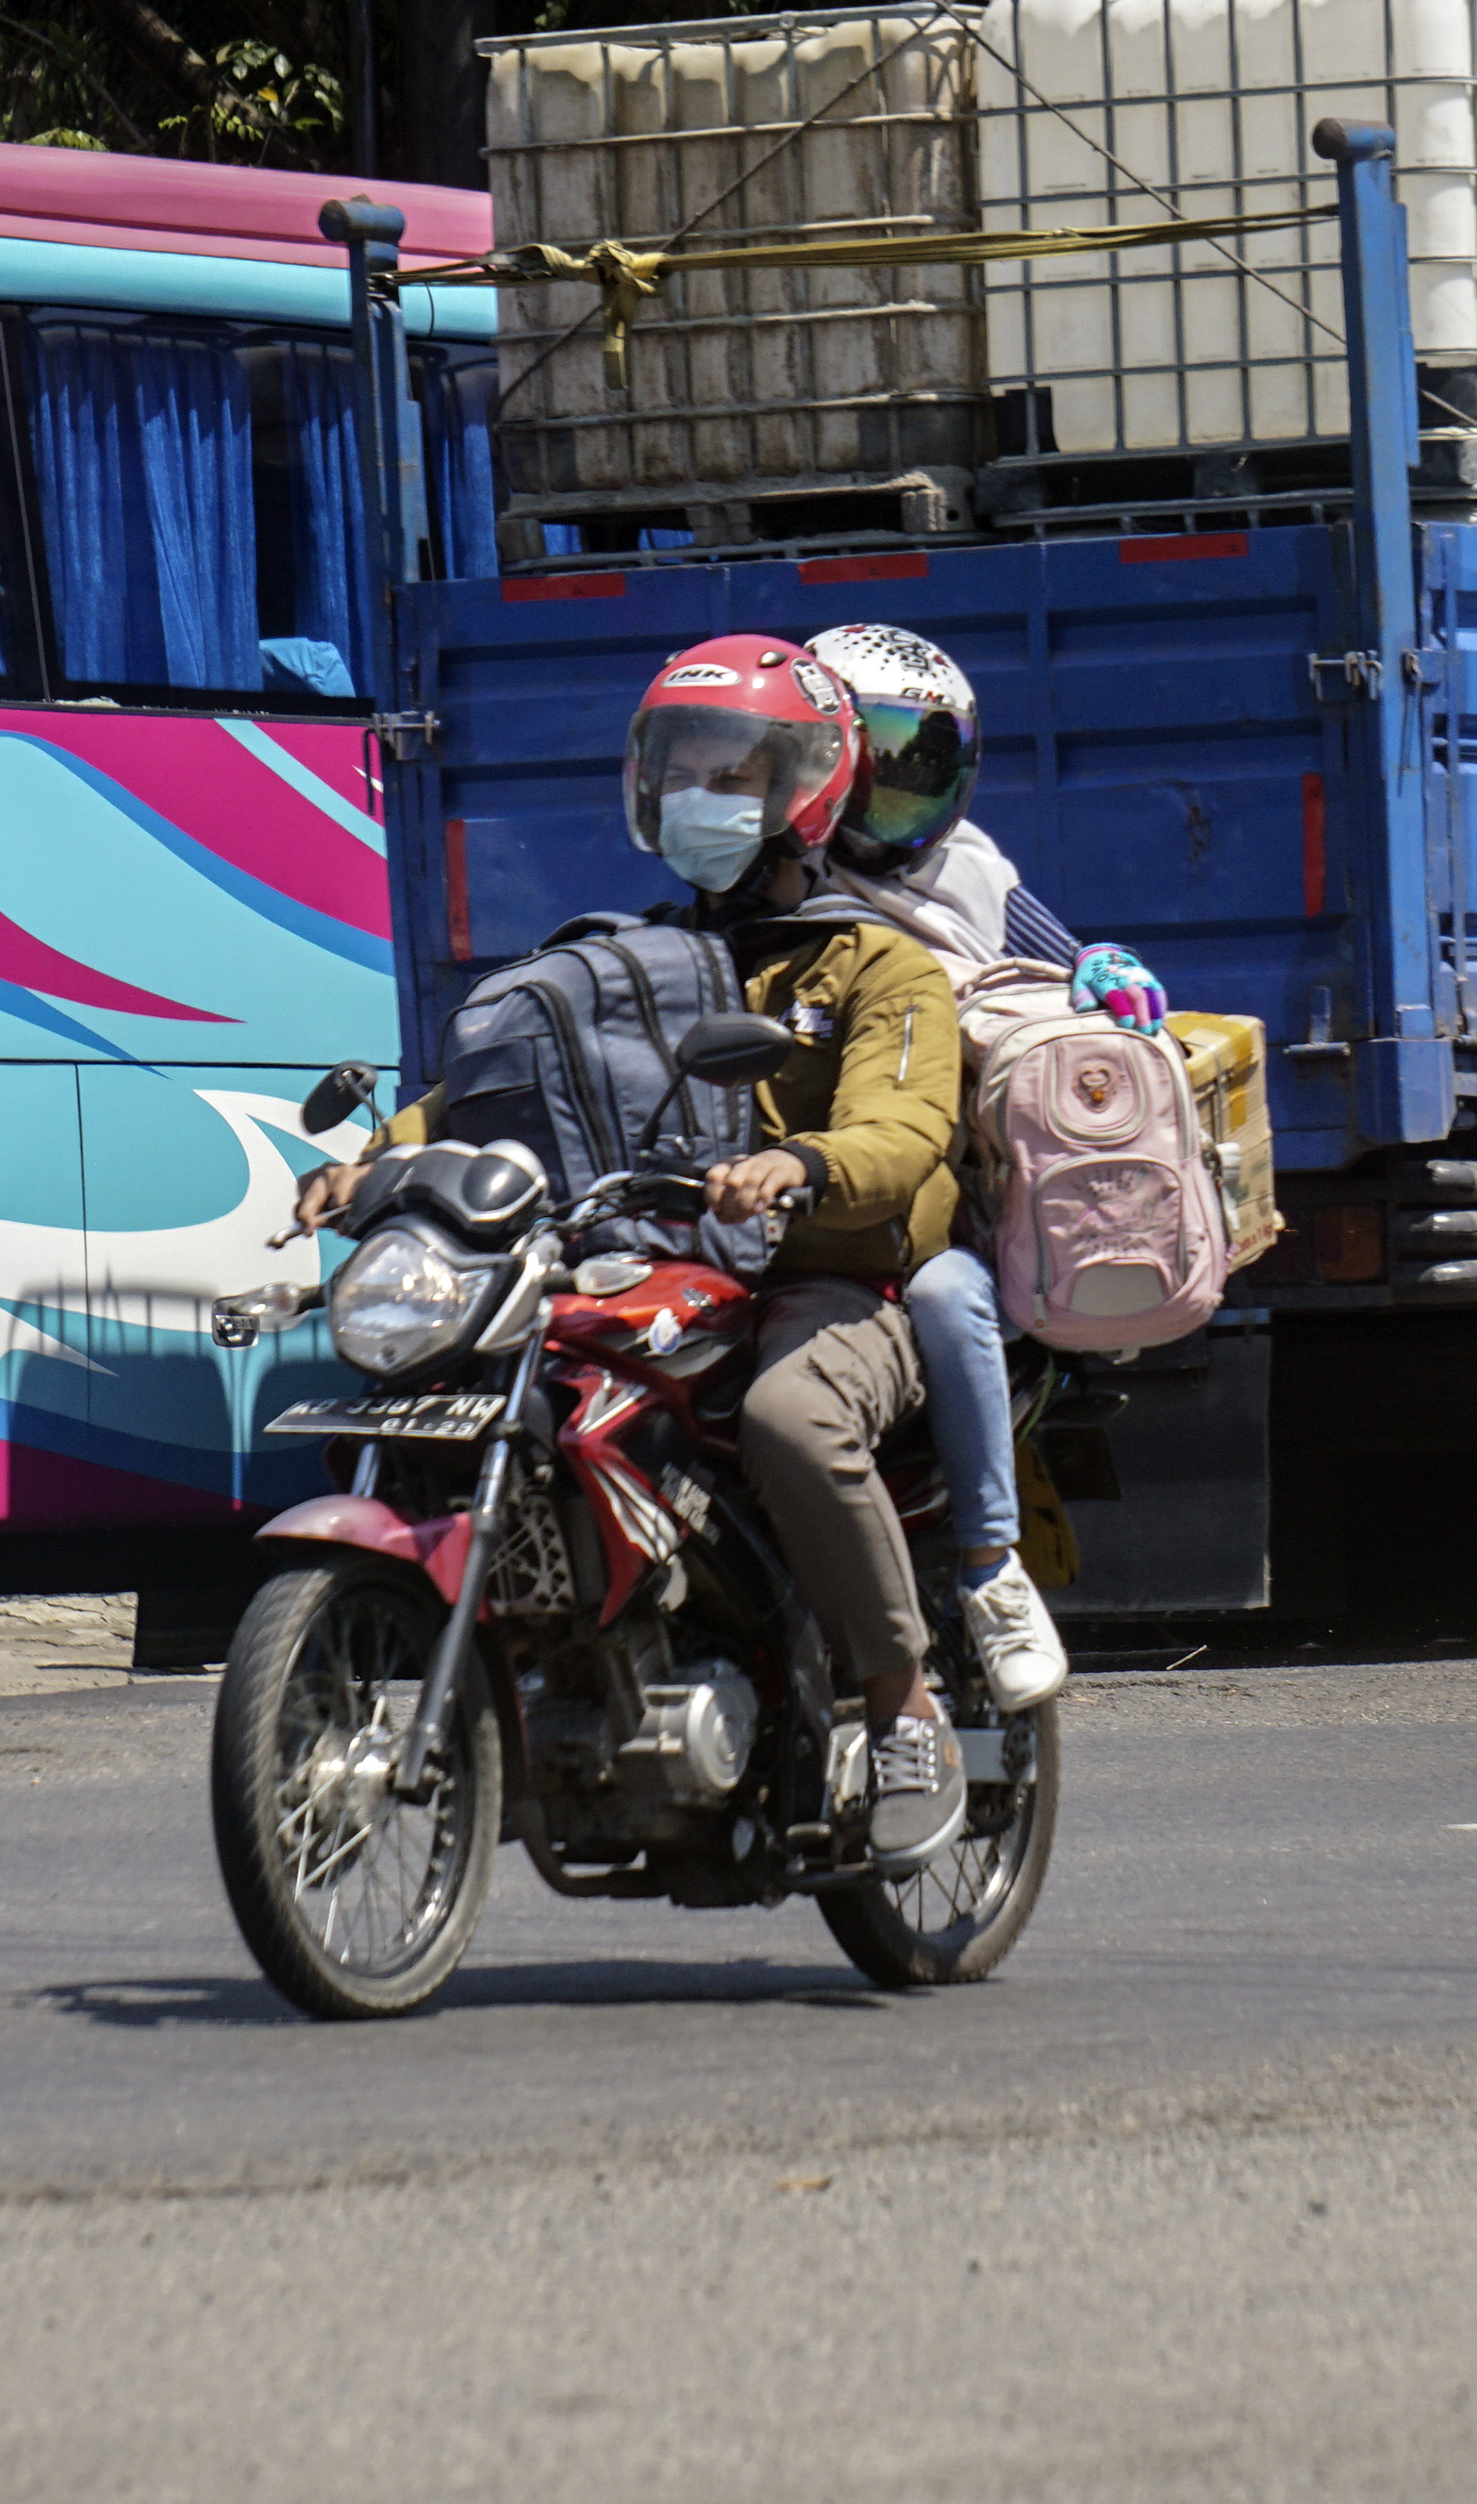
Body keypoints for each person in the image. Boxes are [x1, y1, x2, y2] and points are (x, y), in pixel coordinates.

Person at [298, 636, 972, 1861]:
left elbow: (908, 1126)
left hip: (829, 1273)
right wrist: (375, 1162)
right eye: (683, 765)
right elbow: (495, 1094)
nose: (702, 792)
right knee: (501, 1372)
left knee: (789, 1418)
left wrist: (801, 1163)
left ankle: (901, 1698)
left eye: (736, 767)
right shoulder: (625, 963)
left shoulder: (881, 964)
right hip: (657, 1257)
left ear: (810, 784)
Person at [803, 621, 1168, 1721]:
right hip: (794, 1178)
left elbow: (1066, 966)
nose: (900, 787)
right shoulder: (770, 871)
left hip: (934, 1193)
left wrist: (1106, 976)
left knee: (947, 1292)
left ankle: (989, 1567)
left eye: (925, 757)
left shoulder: (971, 870)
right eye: (877, 757)